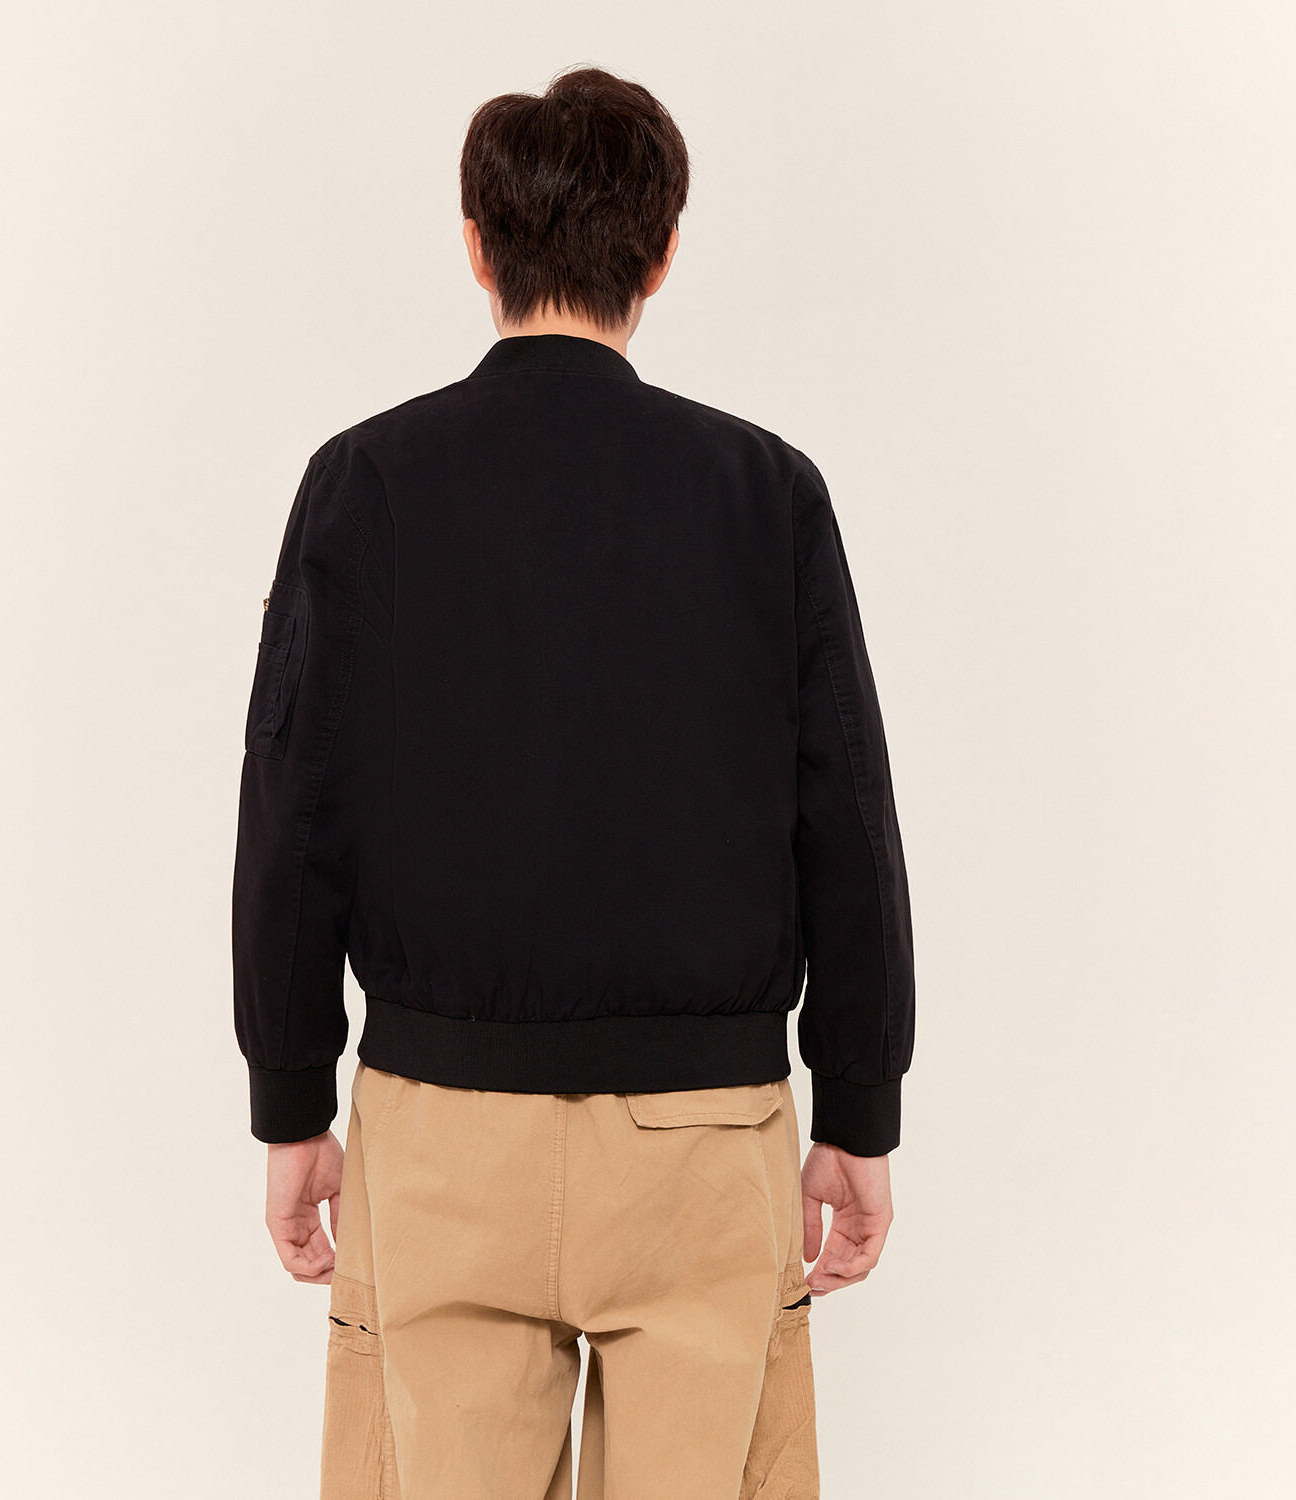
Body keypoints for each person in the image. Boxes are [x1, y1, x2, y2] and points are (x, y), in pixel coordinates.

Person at [232, 64, 914, 1500]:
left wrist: (291, 1097)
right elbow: (846, 818)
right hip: (703, 1143)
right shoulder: (767, 494)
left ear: (476, 247)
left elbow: (294, 807)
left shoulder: (365, 485)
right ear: (661, 255)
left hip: (442, 1135)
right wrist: (859, 1106)